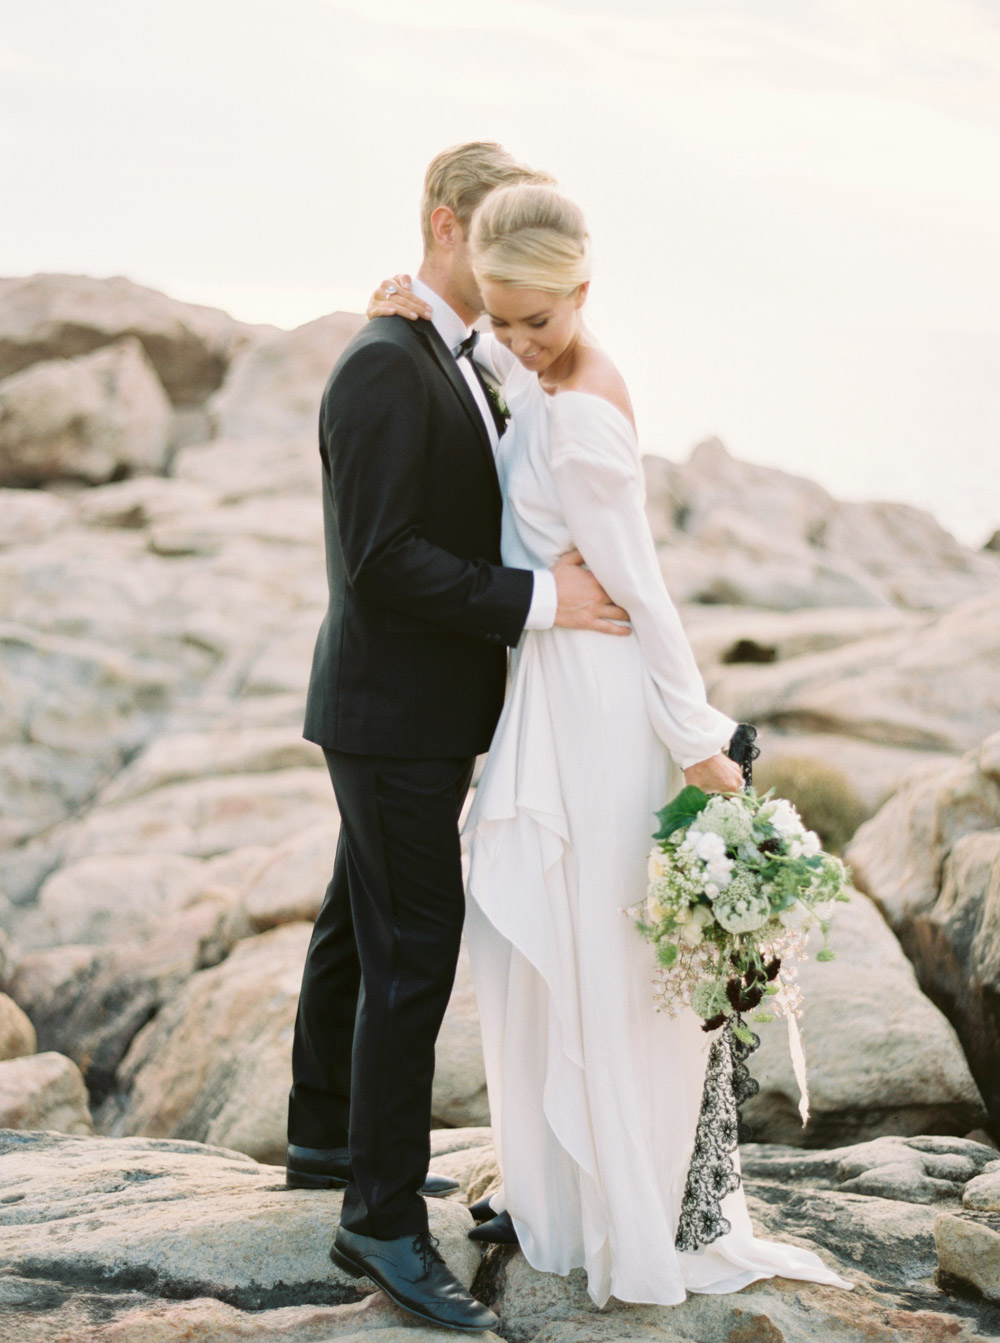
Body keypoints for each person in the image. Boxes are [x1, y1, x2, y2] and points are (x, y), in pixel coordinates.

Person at [367, 183, 853, 1307]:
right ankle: (567, 1193)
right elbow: (498, 387)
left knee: (598, 952)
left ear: (583, 291)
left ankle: (613, 1203)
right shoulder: (529, 367)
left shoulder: (583, 414)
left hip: (597, 702)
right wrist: (433, 320)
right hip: (552, 686)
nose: (521, 338)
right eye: (501, 316)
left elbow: (644, 595)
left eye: (541, 318)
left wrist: (695, 739)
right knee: (562, 951)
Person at [288, 143, 635, 1335]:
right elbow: (382, 560)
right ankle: (377, 1216)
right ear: (446, 228)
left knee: (357, 917)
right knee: (410, 951)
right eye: (485, 240)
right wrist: (543, 603)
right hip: (390, 716)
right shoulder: (385, 363)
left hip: (408, 710)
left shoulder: (445, 342)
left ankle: (320, 1129)